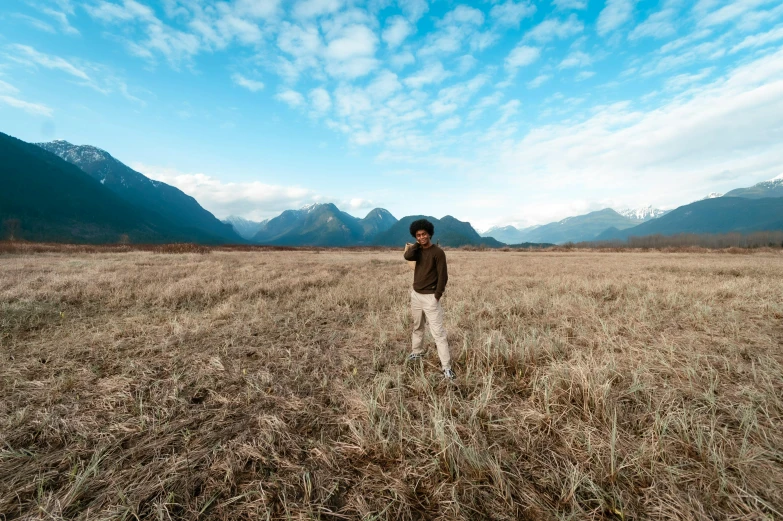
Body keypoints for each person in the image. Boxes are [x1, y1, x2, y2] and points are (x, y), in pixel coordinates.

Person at [404, 219, 455, 380]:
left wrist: (437, 296)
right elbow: (407, 256)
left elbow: (443, 276)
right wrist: (417, 245)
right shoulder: (417, 251)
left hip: (430, 297)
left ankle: (446, 367)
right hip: (416, 295)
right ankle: (417, 352)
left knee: (438, 333)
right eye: (418, 235)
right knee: (417, 326)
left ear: (429, 233)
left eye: (424, 234)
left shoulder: (438, 253)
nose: (421, 237)